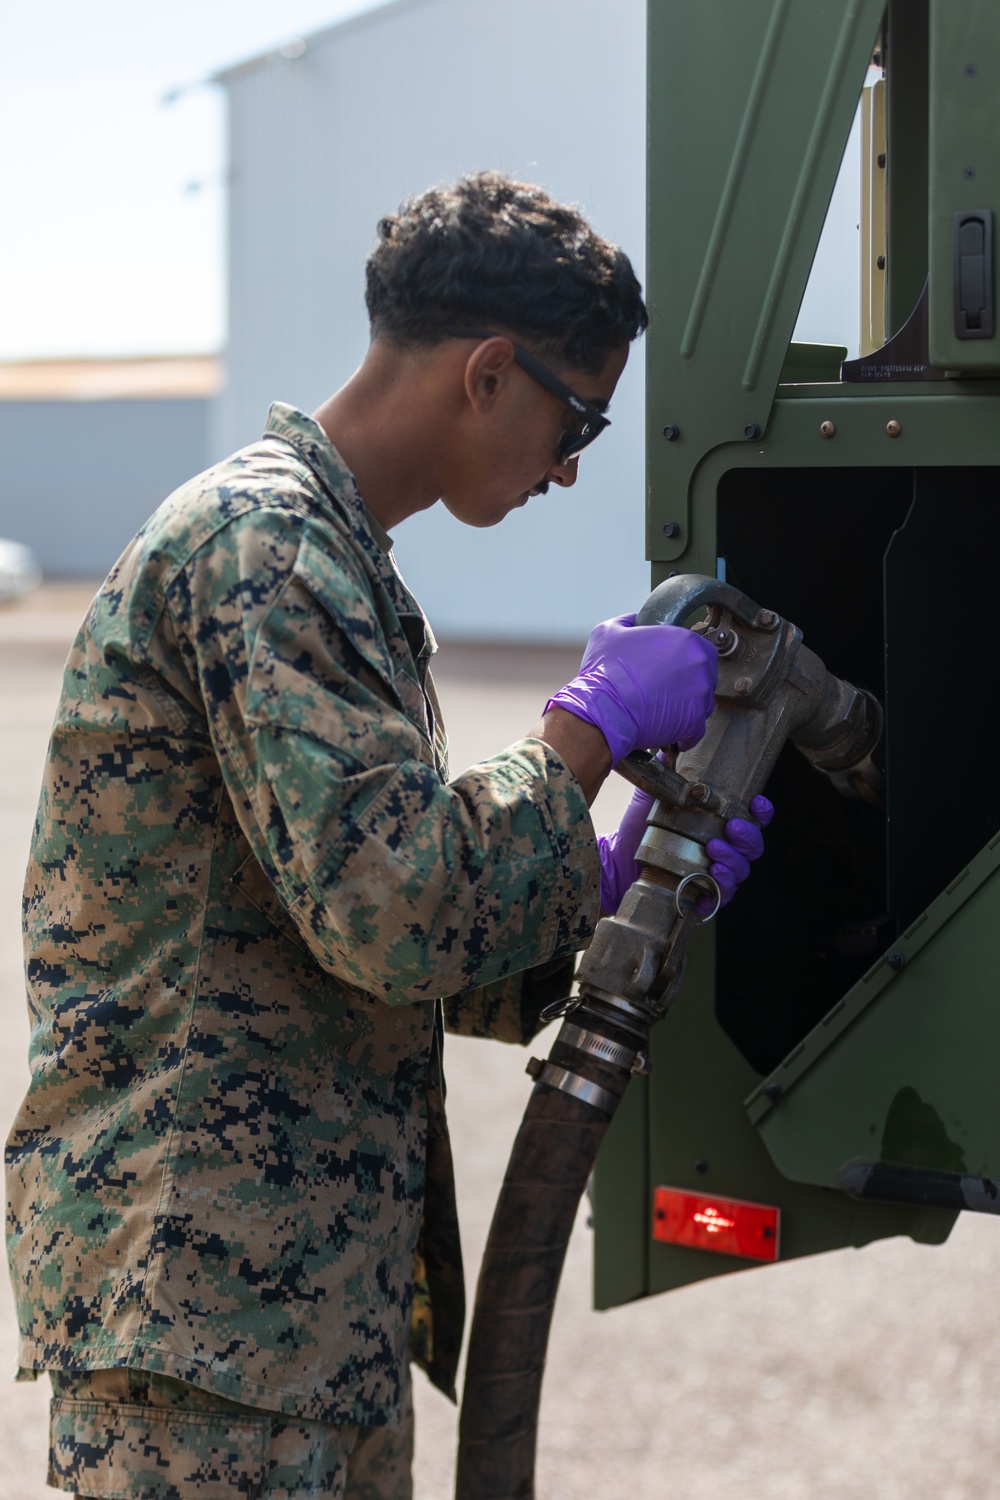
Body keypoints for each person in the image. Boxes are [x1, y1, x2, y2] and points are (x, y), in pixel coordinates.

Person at [6, 172, 770, 1499]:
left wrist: (602, 888)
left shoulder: (334, 560)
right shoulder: (265, 542)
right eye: (574, 415)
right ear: (489, 372)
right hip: (212, 1327)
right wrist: (583, 730)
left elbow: (362, 945)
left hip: (286, 1325)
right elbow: (390, 904)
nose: (572, 463)